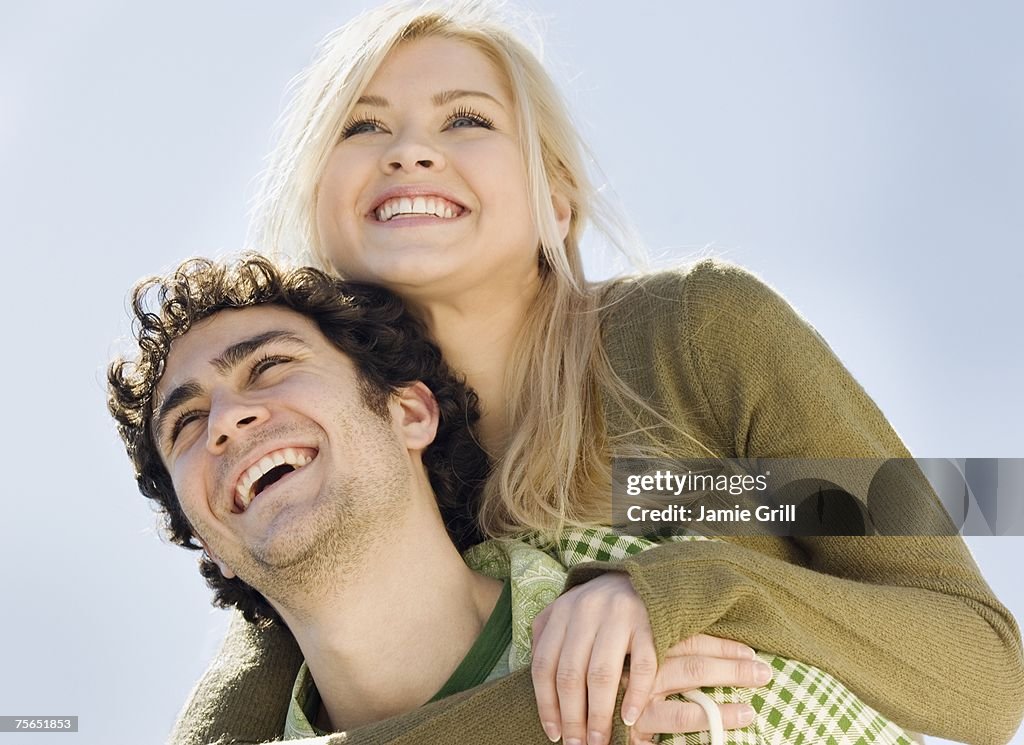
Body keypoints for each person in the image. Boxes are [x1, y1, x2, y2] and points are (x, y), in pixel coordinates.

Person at [165, 2, 1024, 744]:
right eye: (361, 125)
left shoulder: (688, 340)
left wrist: (690, 582)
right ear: (320, 209)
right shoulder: (330, 466)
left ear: (557, 201)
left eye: (466, 119)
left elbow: (986, 671)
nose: (409, 152)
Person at [109, 254, 917, 745]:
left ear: (410, 410)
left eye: (270, 366)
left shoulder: (680, 665)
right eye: (186, 423)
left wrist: (706, 580)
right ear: (204, 535)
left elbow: (992, 661)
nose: (226, 419)